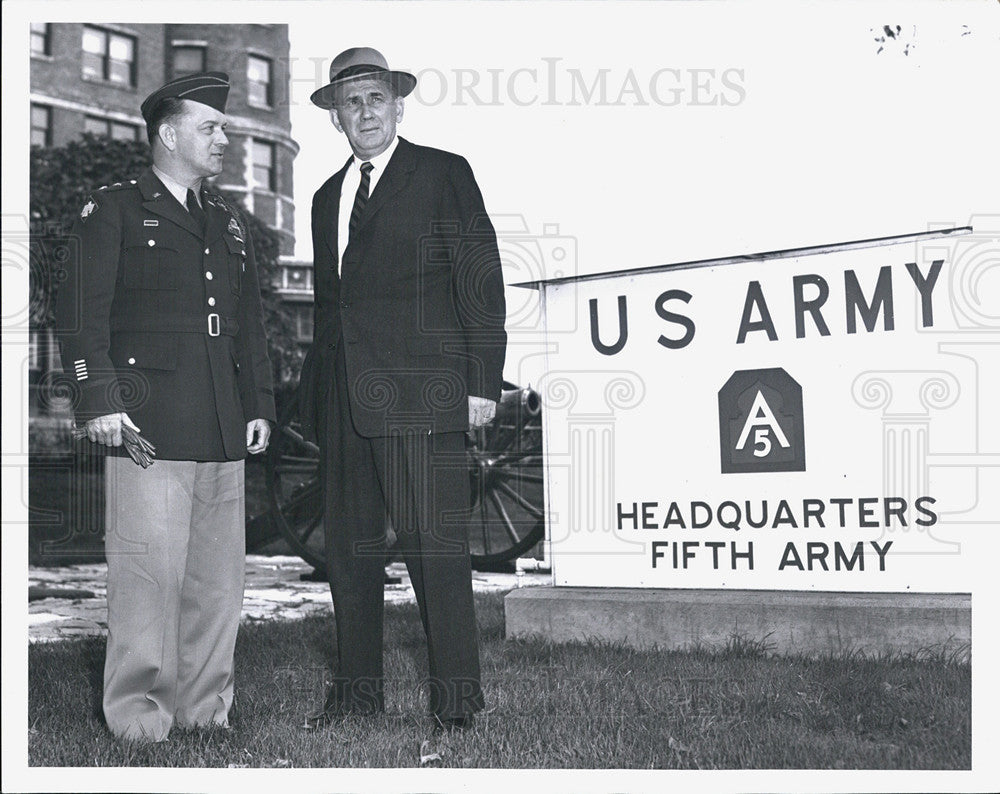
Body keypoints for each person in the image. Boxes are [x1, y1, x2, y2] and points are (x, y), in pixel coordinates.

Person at [54, 71, 275, 742]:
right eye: (210, 127)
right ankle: (140, 719)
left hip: (219, 419)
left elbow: (249, 323)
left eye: (223, 127)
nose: (224, 138)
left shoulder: (226, 220)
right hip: (147, 420)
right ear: (168, 134)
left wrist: (258, 401)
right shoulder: (115, 207)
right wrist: (97, 395)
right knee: (146, 579)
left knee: (216, 585)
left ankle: (206, 712)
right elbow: (80, 310)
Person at [298, 47, 507, 733]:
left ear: (398, 106)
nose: (364, 112)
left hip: (423, 397)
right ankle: (358, 696)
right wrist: (313, 402)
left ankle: (455, 702)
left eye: (376, 99)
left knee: (434, 551)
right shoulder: (327, 196)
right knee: (348, 555)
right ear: (336, 117)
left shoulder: (443, 174)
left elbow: (479, 282)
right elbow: (333, 308)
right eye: (350, 102)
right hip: (343, 406)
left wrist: (482, 383)